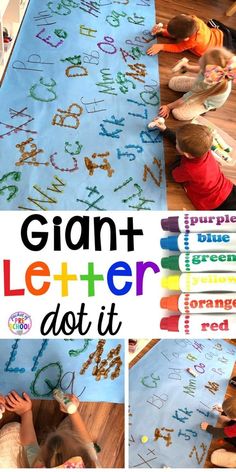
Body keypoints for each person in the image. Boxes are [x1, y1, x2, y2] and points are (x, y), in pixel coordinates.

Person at [0, 390, 99, 468]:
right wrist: (73, 412)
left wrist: (25, 412)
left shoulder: (38, 465)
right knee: (73, 423)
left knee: (12, 428)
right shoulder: (88, 462)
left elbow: (30, 444)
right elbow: (86, 443)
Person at [150, 121, 236, 210]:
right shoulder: (204, 149)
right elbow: (184, 143)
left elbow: (175, 176)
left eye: (177, 143)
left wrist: (175, 164)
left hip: (214, 202)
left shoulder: (189, 169)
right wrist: (165, 130)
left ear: (187, 154)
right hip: (227, 188)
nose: (176, 142)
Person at [157, 47, 236, 121]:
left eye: (202, 57)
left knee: (178, 113)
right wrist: (187, 67)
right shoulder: (212, 71)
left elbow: (186, 98)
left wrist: (168, 107)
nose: (200, 58)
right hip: (201, 85)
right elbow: (200, 69)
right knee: (172, 83)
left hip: (205, 100)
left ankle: (203, 109)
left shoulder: (207, 82)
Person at [147, 14, 236, 56]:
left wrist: (161, 47)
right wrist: (162, 30)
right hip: (221, 33)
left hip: (223, 48)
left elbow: (178, 48)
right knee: (212, 21)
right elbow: (178, 27)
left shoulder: (192, 41)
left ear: (186, 39)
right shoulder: (193, 19)